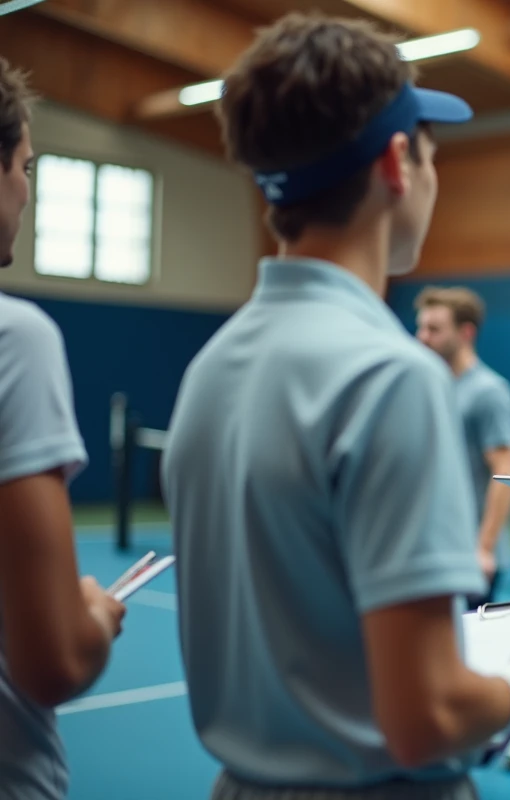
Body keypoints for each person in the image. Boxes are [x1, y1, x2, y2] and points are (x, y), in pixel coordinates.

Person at [159, 15, 510, 800]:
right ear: (397, 163)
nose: (432, 172)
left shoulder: (210, 368)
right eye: (430, 151)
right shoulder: (392, 378)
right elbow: (424, 715)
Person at [0, 57, 127, 799]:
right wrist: (93, 617)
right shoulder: (17, 340)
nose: (28, 190)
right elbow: (54, 663)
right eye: (25, 166)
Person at [414, 287, 510, 771]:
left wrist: (483, 546)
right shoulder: (428, 386)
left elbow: (503, 471)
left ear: (465, 333)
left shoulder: (488, 392)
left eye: (434, 328)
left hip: (472, 555)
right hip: (431, 551)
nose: (422, 336)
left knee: (489, 653)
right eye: (421, 327)